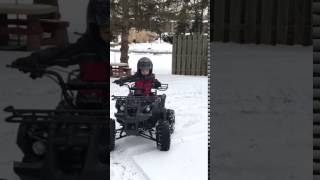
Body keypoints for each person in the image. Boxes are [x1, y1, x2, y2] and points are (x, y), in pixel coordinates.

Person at [11, 0, 109, 109]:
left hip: (123, 100)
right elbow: (62, 53)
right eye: (106, 30)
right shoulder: (88, 46)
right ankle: (90, 96)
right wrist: (36, 59)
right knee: (93, 63)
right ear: (95, 27)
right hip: (91, 103)